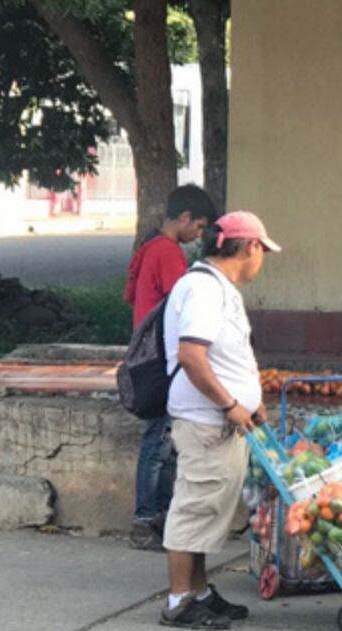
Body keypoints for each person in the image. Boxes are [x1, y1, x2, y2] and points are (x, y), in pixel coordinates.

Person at [159, 210, 281, 630]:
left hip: (221, 420)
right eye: (262, 252)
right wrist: (231, 403)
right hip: (206, 421)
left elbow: (225, 355)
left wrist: (252, 400)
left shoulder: (217, 288)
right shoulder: (203, 290)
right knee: (195, 508)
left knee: (210, 510)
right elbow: (192, 356)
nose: (262, 261)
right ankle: (178, 600)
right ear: (250, 247)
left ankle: (199, 592)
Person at [123, 184, 218, 551]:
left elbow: (132, 296)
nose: (198, 236)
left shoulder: (148, 247)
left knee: (162, 440)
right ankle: (147, 518)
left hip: (148, 356)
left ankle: (157, 515)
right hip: (161, 359)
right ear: (184, 218)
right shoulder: (167, 253)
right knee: (159, 443)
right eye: (198, 227)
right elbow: (185, 307)